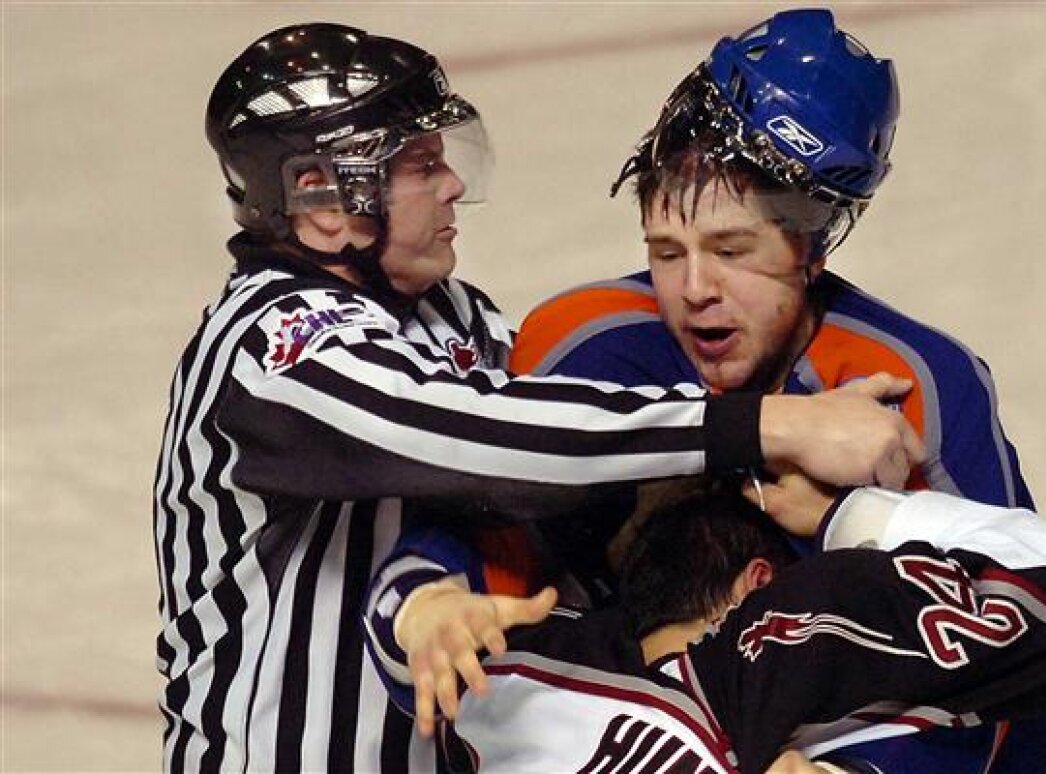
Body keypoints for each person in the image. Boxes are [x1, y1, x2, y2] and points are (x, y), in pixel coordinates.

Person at [155, 21, 924, 774]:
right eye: (421, 165)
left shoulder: (450, 314)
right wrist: (771, 425)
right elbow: (487, 440)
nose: (453, 184)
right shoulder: (270, 347)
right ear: (325, 200)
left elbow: (559, 450)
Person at [503, 9, 1046, 768]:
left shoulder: (921, 384)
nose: (694, 289)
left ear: (809, 252)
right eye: (666, 251)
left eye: (732, 251)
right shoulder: (584, 346)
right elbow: (496, 583)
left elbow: (1028, 649)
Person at [367, 479, 1046, 773]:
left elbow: (402, 640)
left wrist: (424, 604)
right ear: (760, 580)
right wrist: (849, 515)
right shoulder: (807, 629)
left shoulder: (518, 672)